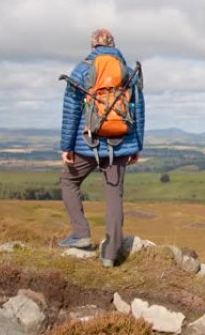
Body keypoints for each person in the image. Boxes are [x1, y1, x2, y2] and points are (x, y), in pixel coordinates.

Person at [58, 29, 145, 268]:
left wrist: (67, 146)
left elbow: (71, 110)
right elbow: (138, 111)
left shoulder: (82, 70)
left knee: (68, 181)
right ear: (114, 44)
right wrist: (137, 145)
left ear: (93, 46)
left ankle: (81, 234)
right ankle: (110, 253)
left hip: (87, 143)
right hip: (120, 145)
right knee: (114, 196)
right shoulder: (128, 72)